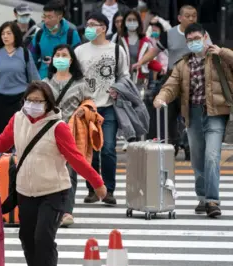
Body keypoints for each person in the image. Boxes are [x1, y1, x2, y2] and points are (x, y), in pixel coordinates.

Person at [0, 81, 106, 266]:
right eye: (29, 100)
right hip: (26, 191)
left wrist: (97, 183)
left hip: (54, 191)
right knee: (27, 238)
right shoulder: (18, 119)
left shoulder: (57, 127)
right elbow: (4, 139)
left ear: (48, 103)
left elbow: (76, 158)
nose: (33, 104)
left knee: (43, 238)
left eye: (38, 101)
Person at [153, 23, 233, 218]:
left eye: (197, 39)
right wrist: (161, 96)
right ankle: (203, 196)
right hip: (193, 115)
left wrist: (222, 51)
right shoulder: (183, 64)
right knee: (197, 159)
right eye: (189, 40)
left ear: (205, 37)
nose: (193, 43)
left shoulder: (219, 58)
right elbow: (171, 85)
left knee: (212, 156)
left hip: (215, 114)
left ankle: (212, 200)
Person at [134, 5, 212, 154]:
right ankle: (172, 145)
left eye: (194, 16)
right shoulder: (169, 34)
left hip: (195, 79)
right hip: (172, 77)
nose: (191, 19)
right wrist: (140, 62)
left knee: (192, 115)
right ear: (179, 18)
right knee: (168, 114)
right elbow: (155, 50)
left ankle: (191, 146)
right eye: (187, 16)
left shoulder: (203, 34)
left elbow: (211, 52)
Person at [74, 12, 130, 205]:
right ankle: (92, 189)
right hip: (87, 107)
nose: (89, 28)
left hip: (109, 107)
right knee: (91, 151)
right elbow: (74, 78)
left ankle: (108, 190)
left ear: (104, 28)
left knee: (107, 149)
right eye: (87, 24)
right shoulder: (79, 51)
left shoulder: (116, 50)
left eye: (93, 24)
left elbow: (124, 75)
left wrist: (118, 89)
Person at [43, 44, 90, 226]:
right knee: (50, 171)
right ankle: (51, 209)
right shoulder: (45, 82)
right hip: (48, 133)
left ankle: (66, 212)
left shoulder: (81, 83)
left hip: (72, 133)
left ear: (71, 61)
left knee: (69, 172)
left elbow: (90, 104)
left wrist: (84, 110)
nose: (60, 58)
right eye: (57, 54)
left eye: (64, 55)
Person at [31, 0, 81, 79]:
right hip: (43, 80)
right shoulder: (39, 34)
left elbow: (78, 59)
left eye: (50, 17)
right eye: (44, 16)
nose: (46, 21)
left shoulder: (71, 35)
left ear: (60, 17)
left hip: (65, 80)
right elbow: (31, 59)